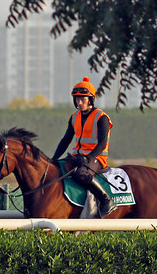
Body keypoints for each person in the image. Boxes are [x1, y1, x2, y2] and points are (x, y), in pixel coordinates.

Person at [50, 76, 116, 217]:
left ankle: (106, 200)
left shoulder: (101, 117)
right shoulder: (74, 117)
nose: (79, 103)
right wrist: (54, 158)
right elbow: (65, 140)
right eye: (77, 100)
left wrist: (89, 158)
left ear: (90, 99)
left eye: (83, 99)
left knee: (81, 174)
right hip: (77, 157)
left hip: (96, 158)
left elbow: (102, 143)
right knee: (57, 169)